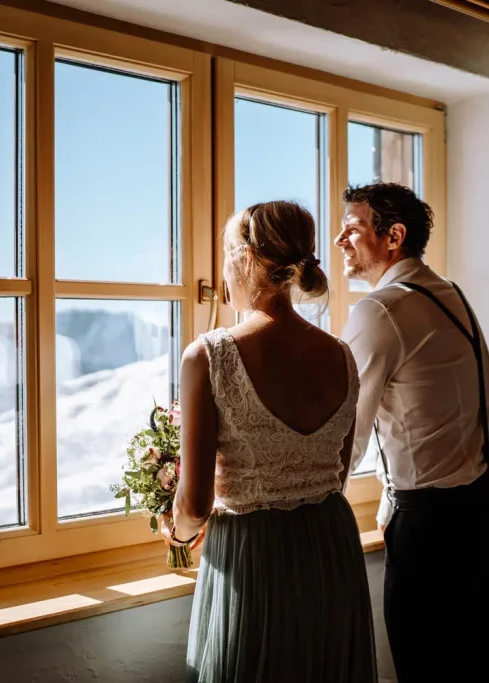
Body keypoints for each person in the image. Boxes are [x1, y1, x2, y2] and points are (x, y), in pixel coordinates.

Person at [164, 200, 377, 683]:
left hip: (254, 555)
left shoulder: (210, 355)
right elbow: (336, 478)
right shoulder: (341, 355)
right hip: (330, 547)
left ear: (244, 260)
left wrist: (177, 535)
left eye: (224, 254)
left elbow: (195, 502)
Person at [337, 182, 489, 682]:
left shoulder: (382, 310)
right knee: (482, 671)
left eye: (352, 228)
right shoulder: (449, 293)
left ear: (393, 236)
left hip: (434, 530)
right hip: (486, 508)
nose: (339, 241)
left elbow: (343, 435)